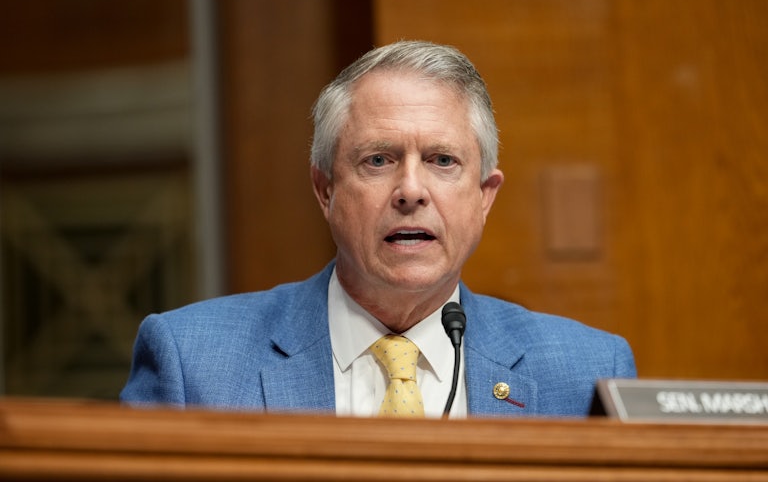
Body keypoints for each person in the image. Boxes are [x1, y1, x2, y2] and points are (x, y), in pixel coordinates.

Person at [121, 40, 636, 418]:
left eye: (442, 160)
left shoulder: (585, 373)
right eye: (378, 159)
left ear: (484, 196)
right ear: (325, 191)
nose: (411, 190)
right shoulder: (192, 365)